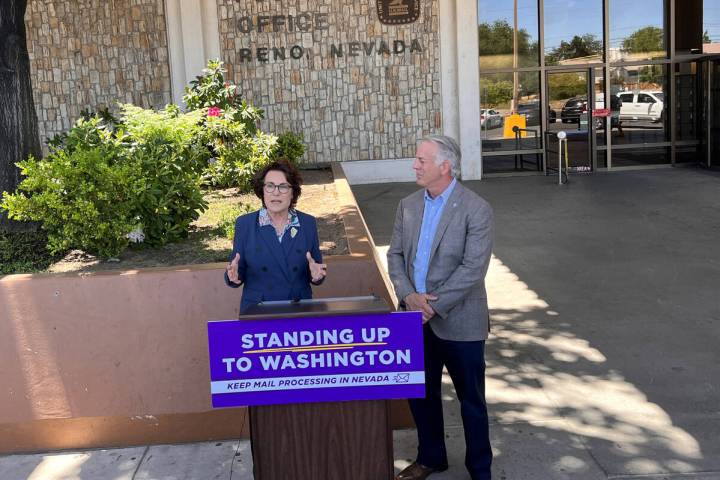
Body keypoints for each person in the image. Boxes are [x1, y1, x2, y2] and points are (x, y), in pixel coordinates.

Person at [388, 135, 494, 480]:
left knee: (472, 402)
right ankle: (431, 457)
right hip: (412, 318)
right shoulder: (408, 205)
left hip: (461, 320)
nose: (414, 166)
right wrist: (407, 297)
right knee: (420, 394)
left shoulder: (476, 208)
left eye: (421, 160)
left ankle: (480, 469)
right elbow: (396, 256)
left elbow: (473, 268)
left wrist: (432, 305)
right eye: (416, 159)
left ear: (445, 167)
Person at [225, 159, 327, 313]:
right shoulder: (245, 224)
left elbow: (317, 268)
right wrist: (233, 276)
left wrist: (317, 276)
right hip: (258, 310)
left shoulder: (307, 223)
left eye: (283, 186)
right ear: (262, 190)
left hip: (298, 309)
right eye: (270, 186)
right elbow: (237, 269)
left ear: (293, 192)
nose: (276, 192)